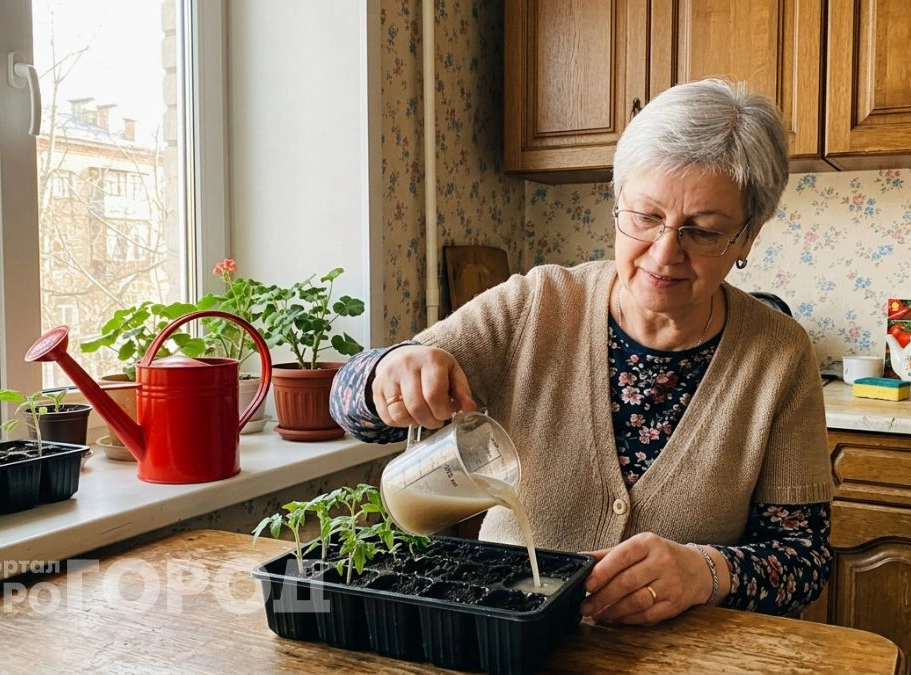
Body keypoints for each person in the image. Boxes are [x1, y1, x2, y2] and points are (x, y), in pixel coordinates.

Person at [330, 77, 832, 624]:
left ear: (748, 237)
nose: (665, 253)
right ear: (617, 202)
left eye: (703, 231)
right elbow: (352, 406)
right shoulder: (538, 303)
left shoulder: (779, 355)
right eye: (645, 216)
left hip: (677, 655)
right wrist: (386, 372)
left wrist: (702, 571)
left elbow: (803, 558)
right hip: (505, 633)